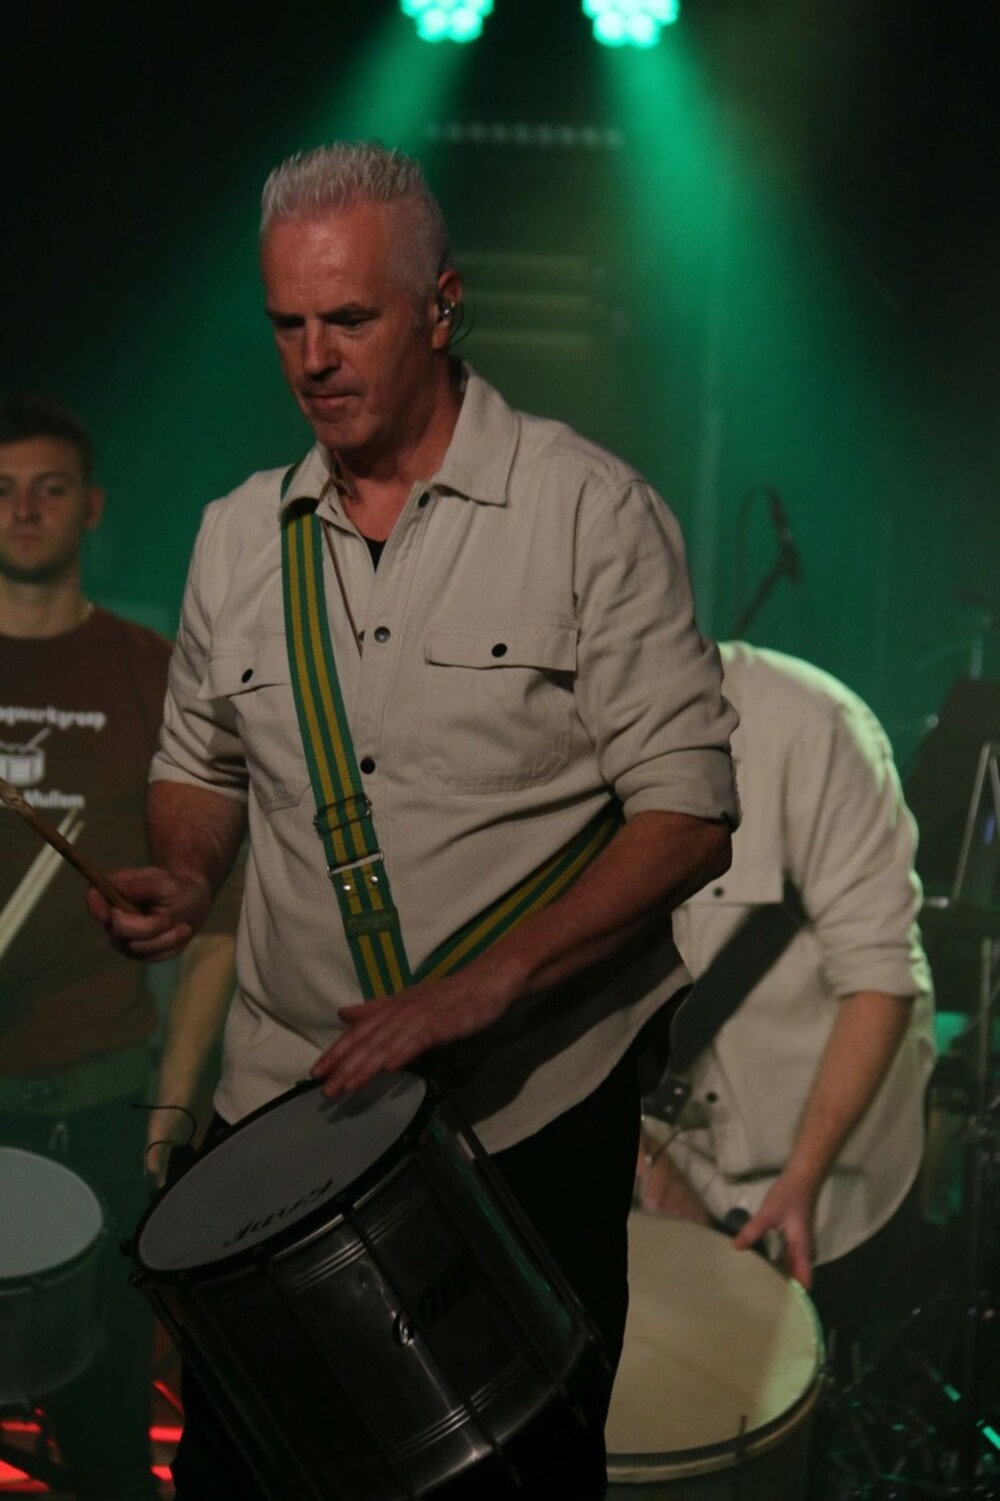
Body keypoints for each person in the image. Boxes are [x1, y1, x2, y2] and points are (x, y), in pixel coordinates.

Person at [88, 141, 739, 1500]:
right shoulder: (235, 537)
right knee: (244, 1473)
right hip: (287, 1101)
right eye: (286, 324)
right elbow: (200, 763)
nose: (313, 359)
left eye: (349, 319)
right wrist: (188, 874)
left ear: (442, 306)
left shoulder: (584, 511)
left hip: (526, 1112)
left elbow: (689, 813)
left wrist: (484, 987)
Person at [0, 394, 237, 1501]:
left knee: (104, 1447)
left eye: (48, 488)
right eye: (2, 490)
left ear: (90, 507)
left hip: (94, 1106)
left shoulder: (153, 671)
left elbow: (221, 917)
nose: (23, 509)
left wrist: (167, 1113)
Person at [637, 641, 935, 1368]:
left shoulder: (810, 722)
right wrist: (646, 1164)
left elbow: (879, 975)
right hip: (666, 1162)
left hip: (833, 1177)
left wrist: (802, 1178)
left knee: (825, 1395)